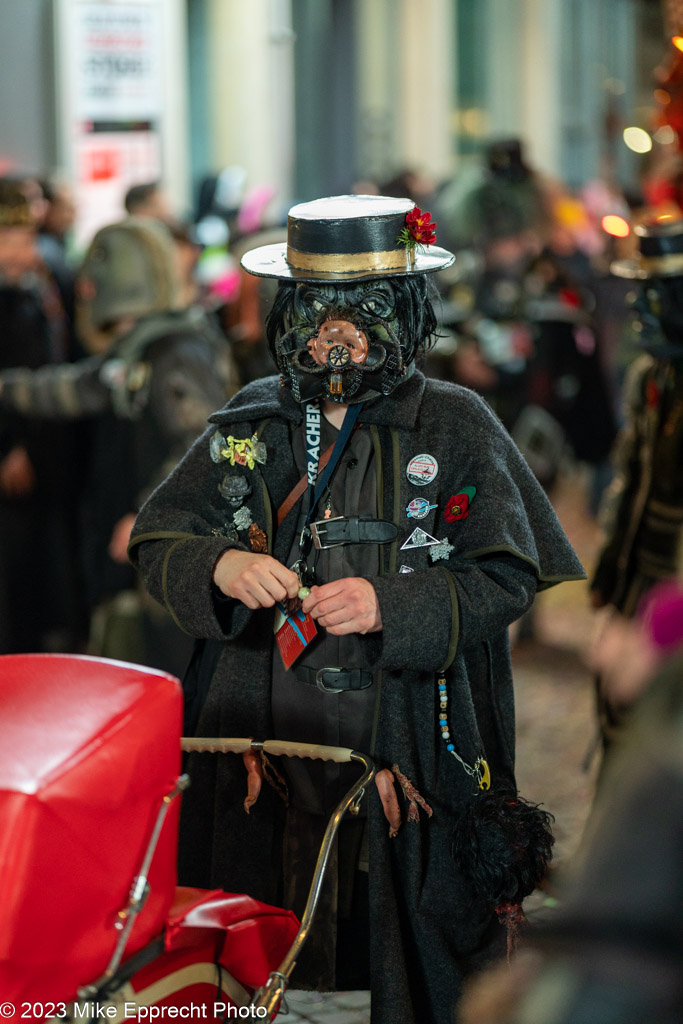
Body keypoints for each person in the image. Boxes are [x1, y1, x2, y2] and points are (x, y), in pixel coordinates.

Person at [128, 195, 585, 1024]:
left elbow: (507, 576)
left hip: (406, 731)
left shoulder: (455, 424)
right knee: (247, 935)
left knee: (413, 948)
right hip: (256, 737)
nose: (335, 334)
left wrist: (391, 603)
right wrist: (220, 563)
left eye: (360, 312)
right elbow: (159, 540)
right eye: (316, 312)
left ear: (404, 313)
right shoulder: (251, 417)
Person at [0, 215, 238, 675]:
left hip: (168, 555)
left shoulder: (175, 352)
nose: (85, 290)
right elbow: (72, 390)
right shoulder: (141, 351)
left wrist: (147, 511)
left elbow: (205, 440)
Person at [590, 217, 683, 746]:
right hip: (640, 578)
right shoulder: (651, 376)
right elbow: (631, 480)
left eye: (659, 294)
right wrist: (610, 573)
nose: (638, 308)